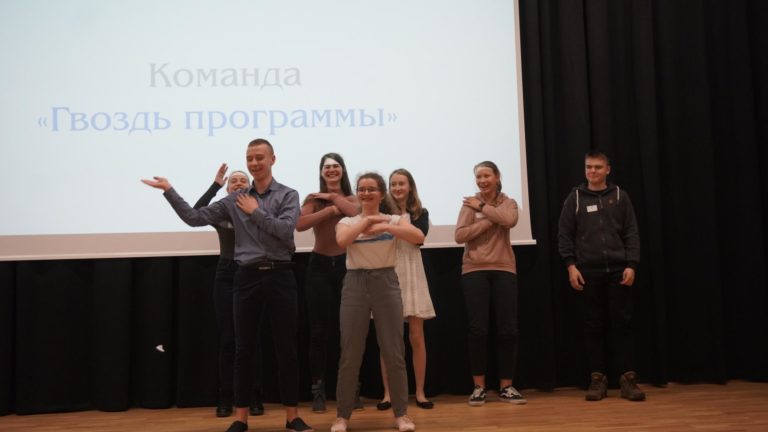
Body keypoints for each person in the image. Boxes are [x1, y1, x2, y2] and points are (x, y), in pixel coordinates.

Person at [141, 138, 313, 432]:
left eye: (259, 157)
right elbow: (194, 217)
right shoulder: (234, 200)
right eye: (249, 158)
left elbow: (286, 231)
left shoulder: (288, 194)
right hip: (245, 277)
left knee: (286, 349)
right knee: (243, 350)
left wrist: (255, 211)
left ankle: (292, 416)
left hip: (281, 276)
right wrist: (169, 190)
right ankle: (240, 418)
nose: (254, 163)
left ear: (272, 159)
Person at [330, 173, 423, 432]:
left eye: (372, 189)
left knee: (394, 352)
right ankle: (342, 416)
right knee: (350, 353)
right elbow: (342, 241)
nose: (366, 193)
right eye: (362, 189)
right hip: (355, 283)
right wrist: (368, 220)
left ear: (381, 194)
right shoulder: (347, 221)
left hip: (386, 282)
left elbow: (418, 236)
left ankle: (402, 414)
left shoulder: (394, 219)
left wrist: (385, 227)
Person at [557, 150, 644, 402]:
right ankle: (597, 380)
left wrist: (632, 264)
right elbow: (564, 235)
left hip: (619, 271)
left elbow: (631, 232)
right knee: (592, 326)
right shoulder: (575, 198)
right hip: (587, 272)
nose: (592, 171)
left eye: (597, 167)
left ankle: (628, 380)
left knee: (623, 325)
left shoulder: (620, 196)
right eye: (588, 167)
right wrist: (571, 266)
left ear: (608, 169)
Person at [193, 164, 265, 418]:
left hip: (252, 272)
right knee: (228, 340)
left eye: (242, 180)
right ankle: (226, 397)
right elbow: (196, 213)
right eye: (233, 181)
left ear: (250, 186)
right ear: (227, 188)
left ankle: (254, 396)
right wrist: (214, 185)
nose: (237, 183)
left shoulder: (258, 208)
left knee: (251, 339)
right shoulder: (221, 210)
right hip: (226, 274)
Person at [454, 161, 526, 406]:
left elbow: (510, 220)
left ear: (497, 177)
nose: (482, 181)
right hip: (474, 270)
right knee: (478, 330)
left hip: (504, 268)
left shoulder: (509, 202)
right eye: (478, 177)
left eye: (486, 176)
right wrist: (488, 219)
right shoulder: (469, 204)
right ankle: (479, 387)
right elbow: (459, 236)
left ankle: (506, 387)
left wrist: (483, 208)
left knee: (508, 329)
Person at [295, 153, 360, 413]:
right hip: (319, 267)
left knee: (349, 330)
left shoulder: (353, 198)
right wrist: (330, 209)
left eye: (336, 166)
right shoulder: (313, 199)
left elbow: (356, 214)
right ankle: (318, 389)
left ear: (343, 170)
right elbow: (300, 224)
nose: (331, 170)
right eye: (327, 167)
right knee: (319, 331)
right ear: (321, 172)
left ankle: (350, 388)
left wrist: (333, 198)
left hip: (348, 265)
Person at [377, 169, 436, 411]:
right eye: (393, 184)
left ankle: (420, 392)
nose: (397, 188)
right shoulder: (381, 211)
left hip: (412, 271)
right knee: (388, 339)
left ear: (410, 186)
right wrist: (401, 228)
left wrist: (392, 226)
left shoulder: (420, 212)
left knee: (416, 335)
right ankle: (388, 393)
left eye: (401, 183)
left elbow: (418, 238)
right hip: (388, 270)